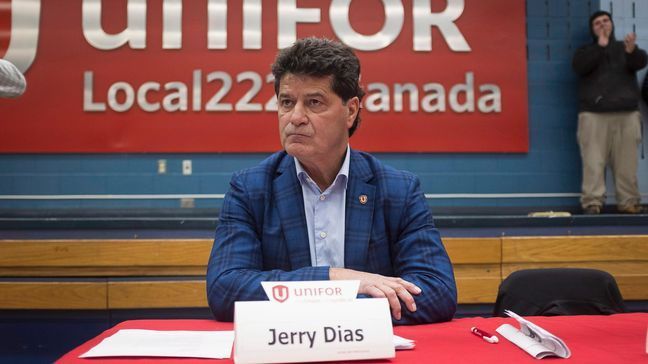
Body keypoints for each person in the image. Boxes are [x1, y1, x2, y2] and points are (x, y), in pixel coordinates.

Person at [206, 37, 457, 325]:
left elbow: (436, 291)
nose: (295, 117)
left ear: (350, 111)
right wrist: (337, 279)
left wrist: (326, 305)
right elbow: (226, 290)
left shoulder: (398, 189)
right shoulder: (250, 189)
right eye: (287, 102)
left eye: (314, 102)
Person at [572, 11, 647, 214]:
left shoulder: (626, 48)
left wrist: (632, 51)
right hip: (593, 116)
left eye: (606, 21)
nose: (602, 25)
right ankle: (592, 203)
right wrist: (600, 47)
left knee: (627, 164)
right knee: (593, 163)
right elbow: (579, 67)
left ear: (612, 24)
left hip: (627, 115)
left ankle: (629, 202)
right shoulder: (585, 51)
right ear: (592, 29)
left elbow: (640, 62)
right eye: (597, 23)